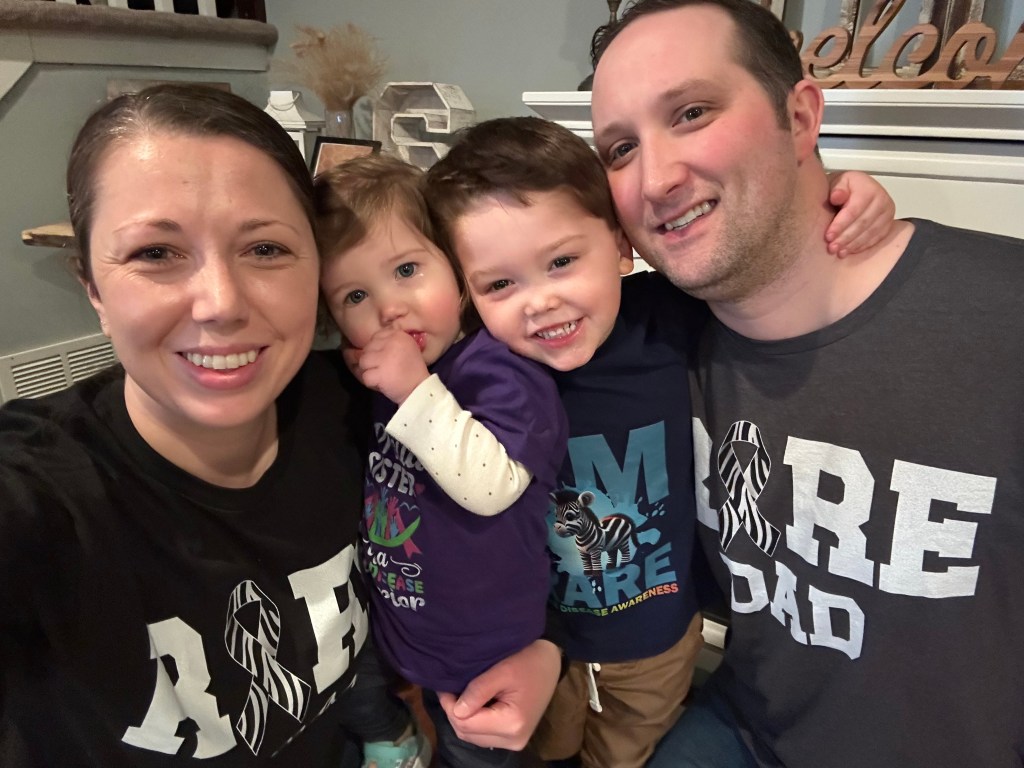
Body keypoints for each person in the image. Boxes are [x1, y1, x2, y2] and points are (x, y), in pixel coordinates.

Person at [0, 83, 559, 768]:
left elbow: (534, 504)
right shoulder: (41, 490)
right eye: (156, 253)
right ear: (91, 285)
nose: (221, 303)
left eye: (264, 249)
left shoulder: (363, 399)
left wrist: (548, 645)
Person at [589, 2, 1024, 767]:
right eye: (621, 148)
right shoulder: (642, 339)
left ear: (800, 118)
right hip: (745, 729)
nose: (656, 179)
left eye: (691, 113)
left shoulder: (1001, 320)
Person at [424, 115, 894, 768]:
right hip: (535, 642)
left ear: (622, 246)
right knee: (546, 751)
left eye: (562, 262)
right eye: (500, 284)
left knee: (624, 755)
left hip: (660, 640)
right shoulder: (477, 374)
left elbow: (763, 243)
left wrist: (840, 195)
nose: (540, 301)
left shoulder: (668, 315)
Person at [314, 154, 569, 768]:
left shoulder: (500, 370)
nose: (389, 309)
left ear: (457, 274)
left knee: (475, 754)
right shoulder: (387, 373)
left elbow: (492, 485)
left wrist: (412, 390)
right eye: (355, 295)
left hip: (488, 649)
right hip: (406, 624)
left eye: (407, 270)